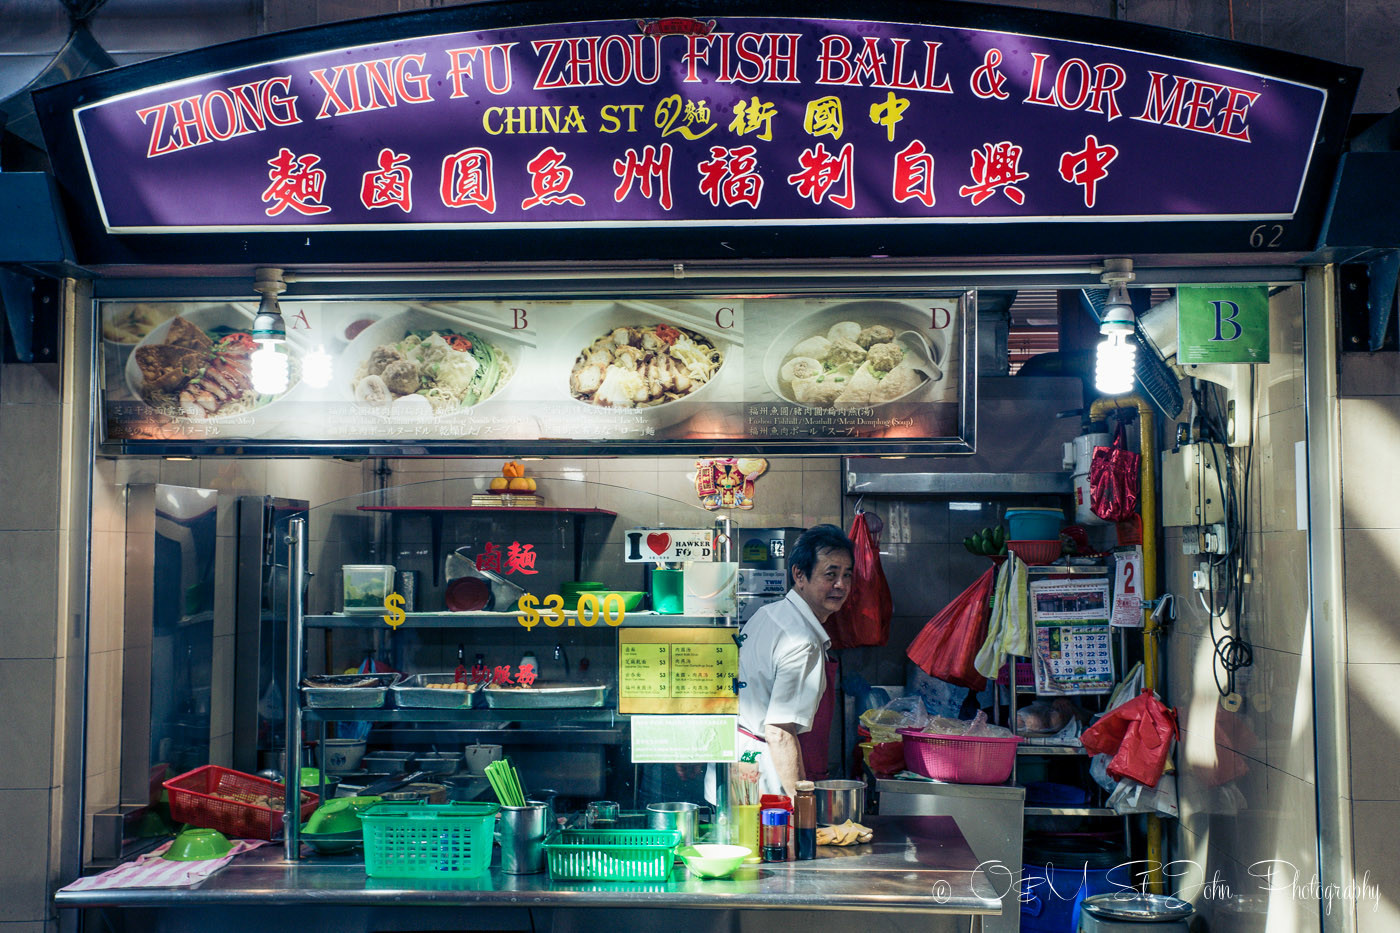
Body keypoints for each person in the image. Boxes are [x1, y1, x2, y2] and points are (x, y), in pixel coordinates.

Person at [734, 523, 854, 797]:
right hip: (770, 781)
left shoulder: (768, 614)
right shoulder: (803, 641)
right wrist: (803, 805)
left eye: (847, 575)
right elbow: (779, 731)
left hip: (740, 764)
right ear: (799, 575)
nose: (841, 585)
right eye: (830, 574)